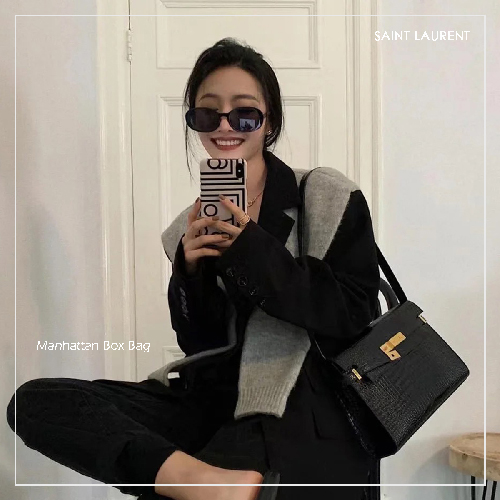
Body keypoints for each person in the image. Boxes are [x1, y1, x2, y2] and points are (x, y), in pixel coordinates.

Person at [6, 38, 381, 500]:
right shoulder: (189, 226)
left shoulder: (323, 194)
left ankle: (202, 480)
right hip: (212, 401)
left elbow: (353, 313)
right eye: (207, 114)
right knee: (37, 402)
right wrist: (190, 271)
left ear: (270, 121)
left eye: (244, 113)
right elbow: (200, 344)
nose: (225, 125)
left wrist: (251, 248)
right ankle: (195, 478)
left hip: (302, 403)